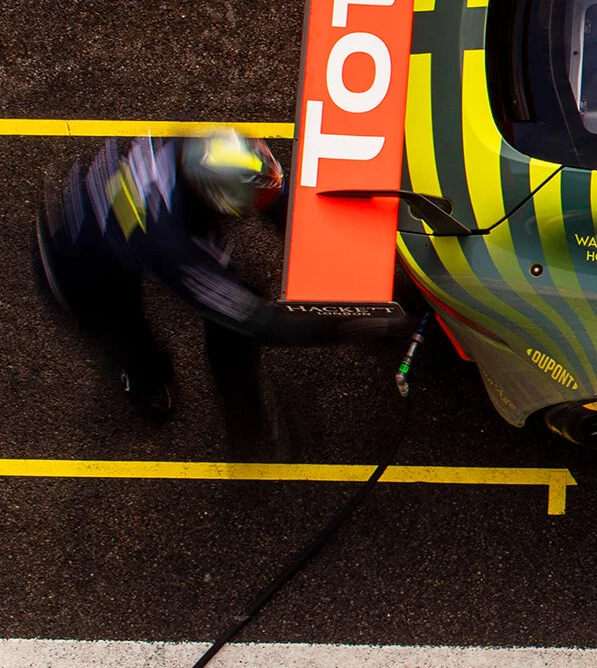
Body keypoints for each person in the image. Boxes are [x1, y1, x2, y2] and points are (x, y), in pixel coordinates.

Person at [33, 129, 398, 460]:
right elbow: (260, 323)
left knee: (230, 297)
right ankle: (157, 389)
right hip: (80, 275)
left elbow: (275, 202)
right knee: (153, 344)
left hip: (113, 219)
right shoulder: (173, 245)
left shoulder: (199, 148)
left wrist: (338, 260)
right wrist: (359, 324)